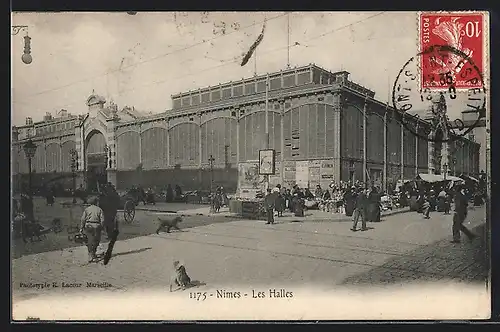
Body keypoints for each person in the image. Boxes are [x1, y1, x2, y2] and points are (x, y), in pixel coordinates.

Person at [79, 196, 105, 263]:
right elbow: (102, 220)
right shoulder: (99, 209)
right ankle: (93, 253)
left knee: (88, 240)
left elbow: (83, 219)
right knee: (96, 240)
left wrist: (81, 228)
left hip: (88, 226)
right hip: (97, 226)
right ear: (96, 202)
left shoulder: (87, 209)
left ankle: (91, 254)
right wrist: (101, 227)